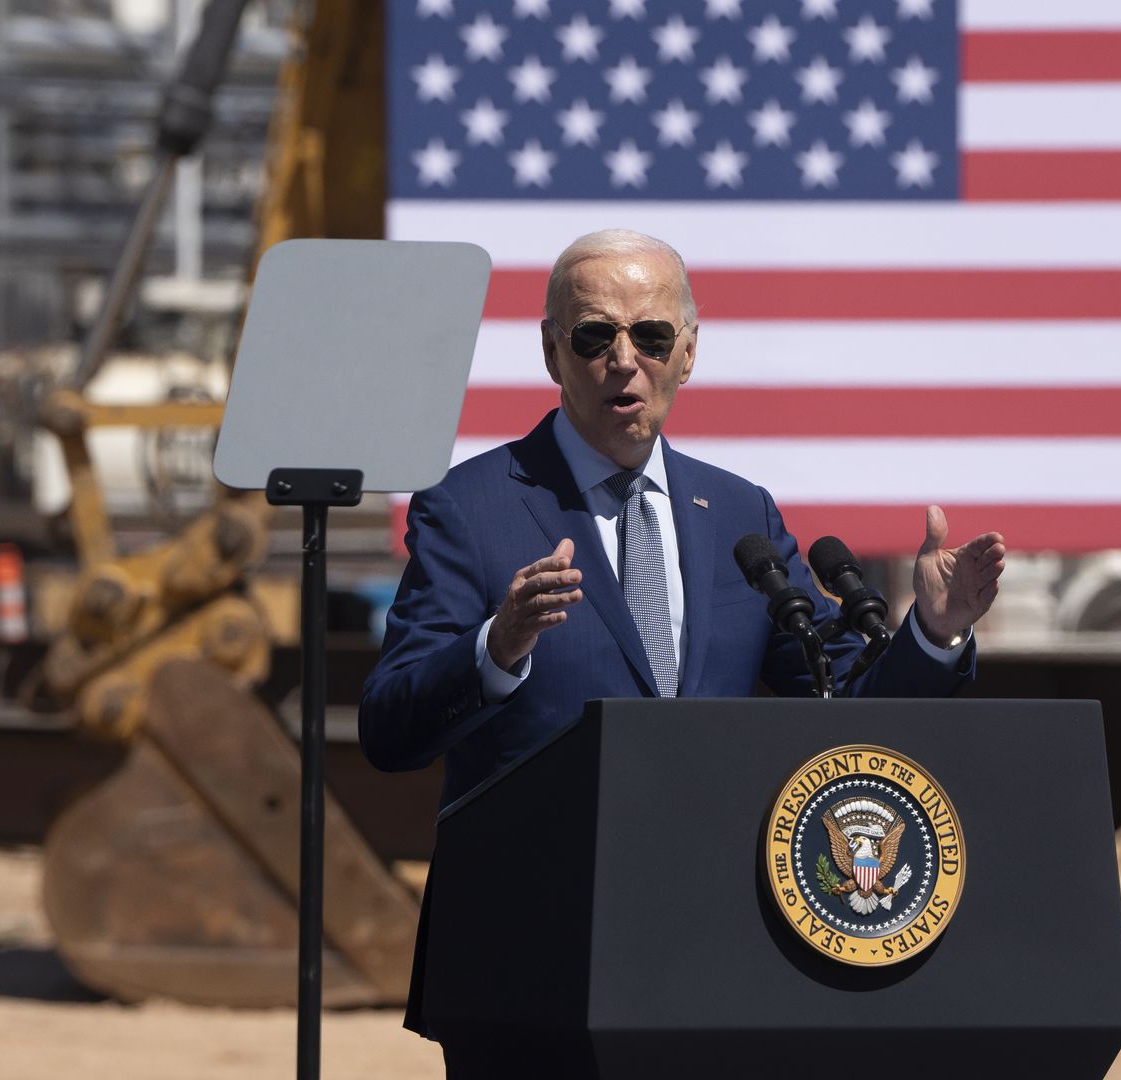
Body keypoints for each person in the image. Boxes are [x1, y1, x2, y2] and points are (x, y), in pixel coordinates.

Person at [359, 229, 1006, 806]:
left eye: (651, 336)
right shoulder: (470, 507)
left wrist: (934, 631)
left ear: (688, 353)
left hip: (707, 895)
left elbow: (842, 701)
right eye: (594, 335)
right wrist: (497, 648)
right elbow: (390, 730)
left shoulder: (737, 512)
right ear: (553, 352)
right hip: (543, 903)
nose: (623, 359)